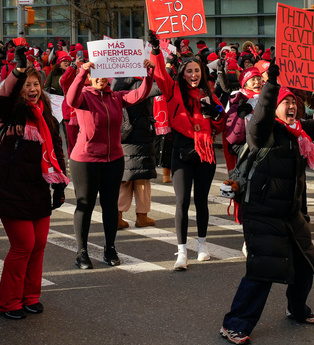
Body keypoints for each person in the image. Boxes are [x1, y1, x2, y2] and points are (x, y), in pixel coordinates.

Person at [219, 62, 314, 345]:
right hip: (261, 213)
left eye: (294, 101)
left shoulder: (300, 132)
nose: (292, 106)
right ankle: (234, 324)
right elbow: (262, 115)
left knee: (305, 264)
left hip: (290, 213)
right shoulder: (262, 132)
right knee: (262, 271)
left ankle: (296, 309)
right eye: (286, 102)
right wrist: (270, 85)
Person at [0, 46, 68, 319]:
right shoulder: (9, 112)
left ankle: (30, 296)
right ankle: (9, 301)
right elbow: (2, 101)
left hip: (37, 189)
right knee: (23, 245)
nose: (32, 89)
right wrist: (17, 72)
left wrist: (59, 185)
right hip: (10, 188)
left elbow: (57, 150)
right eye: (27, 85)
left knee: (39, 244)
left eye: (36, 84)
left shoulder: (47, 116)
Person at [65, 58, 154, 269]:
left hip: (113, 158)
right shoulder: (84, 96)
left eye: (105, 74)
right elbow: (70, 99)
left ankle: (110, 248)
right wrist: (81, 73)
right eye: (96, 74)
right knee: (84, 205)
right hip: (85, 159)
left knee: (110, 206)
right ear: (89, 77)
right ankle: (82, 252)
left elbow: (141, 93)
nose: (101, 78)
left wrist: (148, 73)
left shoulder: (116, 97)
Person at [150, 33, 225, 270]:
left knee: (201, 201)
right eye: (189, 71)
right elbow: (161, 75)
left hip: (206, 154)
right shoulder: (173, 91)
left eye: (197, 71)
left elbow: (220, 124)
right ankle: (182, 251)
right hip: (181, 150)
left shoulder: (209, 95)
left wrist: (216, 116)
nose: (193, 75)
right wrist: (155, 50)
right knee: (182, 202)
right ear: (182, 73)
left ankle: (202, 246)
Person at [115, 73, 160, 230]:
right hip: (141, 137)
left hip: (121, 137)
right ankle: (142, 216)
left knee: (124, 178)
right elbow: (160, 87)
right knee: (142, 179)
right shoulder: (141, 84)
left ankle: (118, 216)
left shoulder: (114, 83)